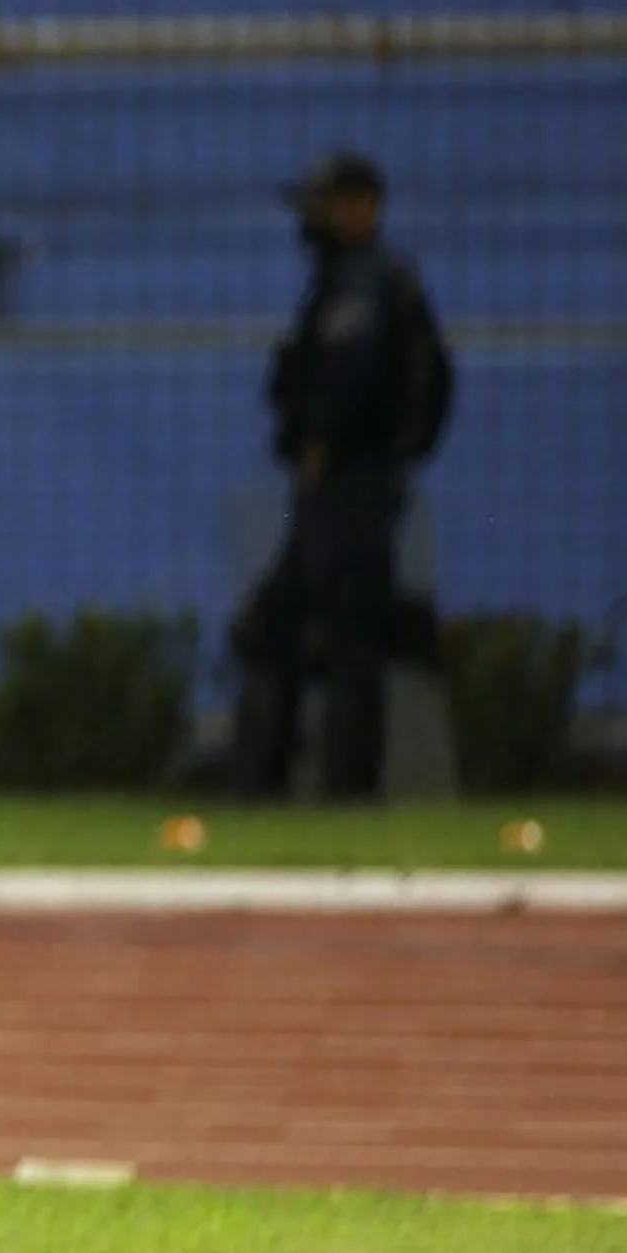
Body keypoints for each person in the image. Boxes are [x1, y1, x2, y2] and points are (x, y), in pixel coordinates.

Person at [232, 151, 453, 802]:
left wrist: (322, 442)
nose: (313, 218)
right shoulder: (347, 281)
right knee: (280, 625)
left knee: (350, 635)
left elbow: (348, 378)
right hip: (340, 486)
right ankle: (268, 781)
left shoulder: (366, 284)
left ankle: (344, 789)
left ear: (364, 206)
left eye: (325, 204)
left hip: (350, 483)